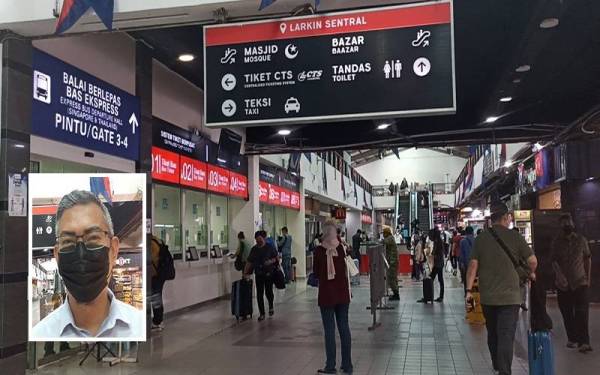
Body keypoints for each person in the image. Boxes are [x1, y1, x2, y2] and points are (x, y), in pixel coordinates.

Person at [32, 190, 144, 339]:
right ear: (57, 255)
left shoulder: (140, 327)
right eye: (68, 241)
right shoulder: (39, 334)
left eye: (93, 238)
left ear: (113, 250)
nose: (81, 253)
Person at [465, 202, 537, 375]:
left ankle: (497, 364)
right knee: (506, 334)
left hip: (488, 296)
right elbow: (533, 261)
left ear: (491, 220)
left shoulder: (481, 238)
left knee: (493, 333)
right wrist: (529, 273)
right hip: (511, 297)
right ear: (505, 218)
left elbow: (473, 266)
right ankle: (504, 370)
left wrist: (468, 291)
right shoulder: (515, 237)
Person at [313, 220, 353, 374]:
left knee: (329, 330)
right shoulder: (342, 248)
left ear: (324, 232)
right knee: (344, 328)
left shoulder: (319, 250)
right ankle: (347, 365)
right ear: (335, 232)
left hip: (326, 296)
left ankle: (330, 366)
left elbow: (316, 273)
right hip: (343, 294)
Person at [551, 213, 593, 353]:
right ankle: (573, 338)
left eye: (568, 222)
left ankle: (584, 342)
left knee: (582, 313)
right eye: (564, 223)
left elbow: (587, 259)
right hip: (563, 285)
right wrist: (559, 276)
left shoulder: (581, 240)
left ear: (573, 224)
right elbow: (554, 261)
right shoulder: (557, 242)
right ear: (560, 226)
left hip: (580, 281)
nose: (567, 225)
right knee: (567, 312)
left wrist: (588, 278)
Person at [244, 231, 279, 321]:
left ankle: (271, 306)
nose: (258, 242)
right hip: (259, 273)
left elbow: (276, 258)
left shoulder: (270, 247)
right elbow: (249, 261)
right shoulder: (254, 249)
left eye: (260, 240)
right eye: (256, 240)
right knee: (259, 294)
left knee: (269, 292)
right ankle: (262, 313)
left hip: (268, 274)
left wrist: (270, 261)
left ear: (264, 238)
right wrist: (246, 272)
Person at [150, 235, 165, 330]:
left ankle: (157, 322)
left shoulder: (151, 243)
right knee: (157, 297)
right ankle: (159, 320)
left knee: (156, 298)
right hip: (160, 274)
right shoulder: (157, 240)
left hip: (155, 274)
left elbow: (150, 259)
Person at [383, 227, 400, 300]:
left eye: (384, 233)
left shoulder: (389, 238)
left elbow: (384, 242)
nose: (383, 234)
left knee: (391, 278)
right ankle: (396, 293)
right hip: (393, 261)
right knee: (394, 278)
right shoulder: (391, 237)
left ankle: (396, 294)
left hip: (392, 262)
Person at [429, 228, 445, 302]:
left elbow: (434, 252)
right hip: (439, 262)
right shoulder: (439, 240)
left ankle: (430, 295)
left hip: (438, 263)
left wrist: (433, 254)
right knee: (437, 279)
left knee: (434, 278)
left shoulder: (437, 241)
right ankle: (440, 296)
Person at [459, 226, 475, 296]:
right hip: (476, 263)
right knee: (475, 278)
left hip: (467, 264)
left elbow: (461, 254)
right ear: (472, 232)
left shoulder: (463, 241)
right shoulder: (476, 240)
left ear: (465, 232)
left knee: (467, 279)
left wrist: (461, 264)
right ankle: (475, 291)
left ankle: (467, 293)